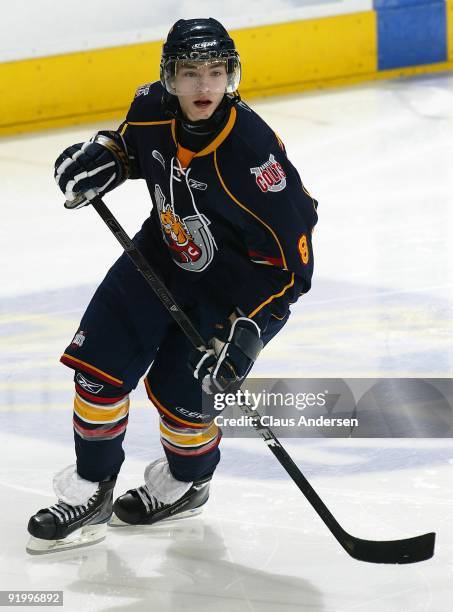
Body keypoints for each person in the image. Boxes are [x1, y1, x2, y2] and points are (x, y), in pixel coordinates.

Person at [26, 17, 318, 554]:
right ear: (170, 78)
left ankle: (187, 481)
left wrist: (246, 334)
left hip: (232, 291)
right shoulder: (150, 106)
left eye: (214, 72)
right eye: (189, 73)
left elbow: (292, 264)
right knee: (99, 370)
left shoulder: (253, 156)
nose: (203, 86)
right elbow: (133, 147)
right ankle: (92, 488)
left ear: (232, 75)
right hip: (158, 253)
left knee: (183, 401)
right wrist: (108, 160)